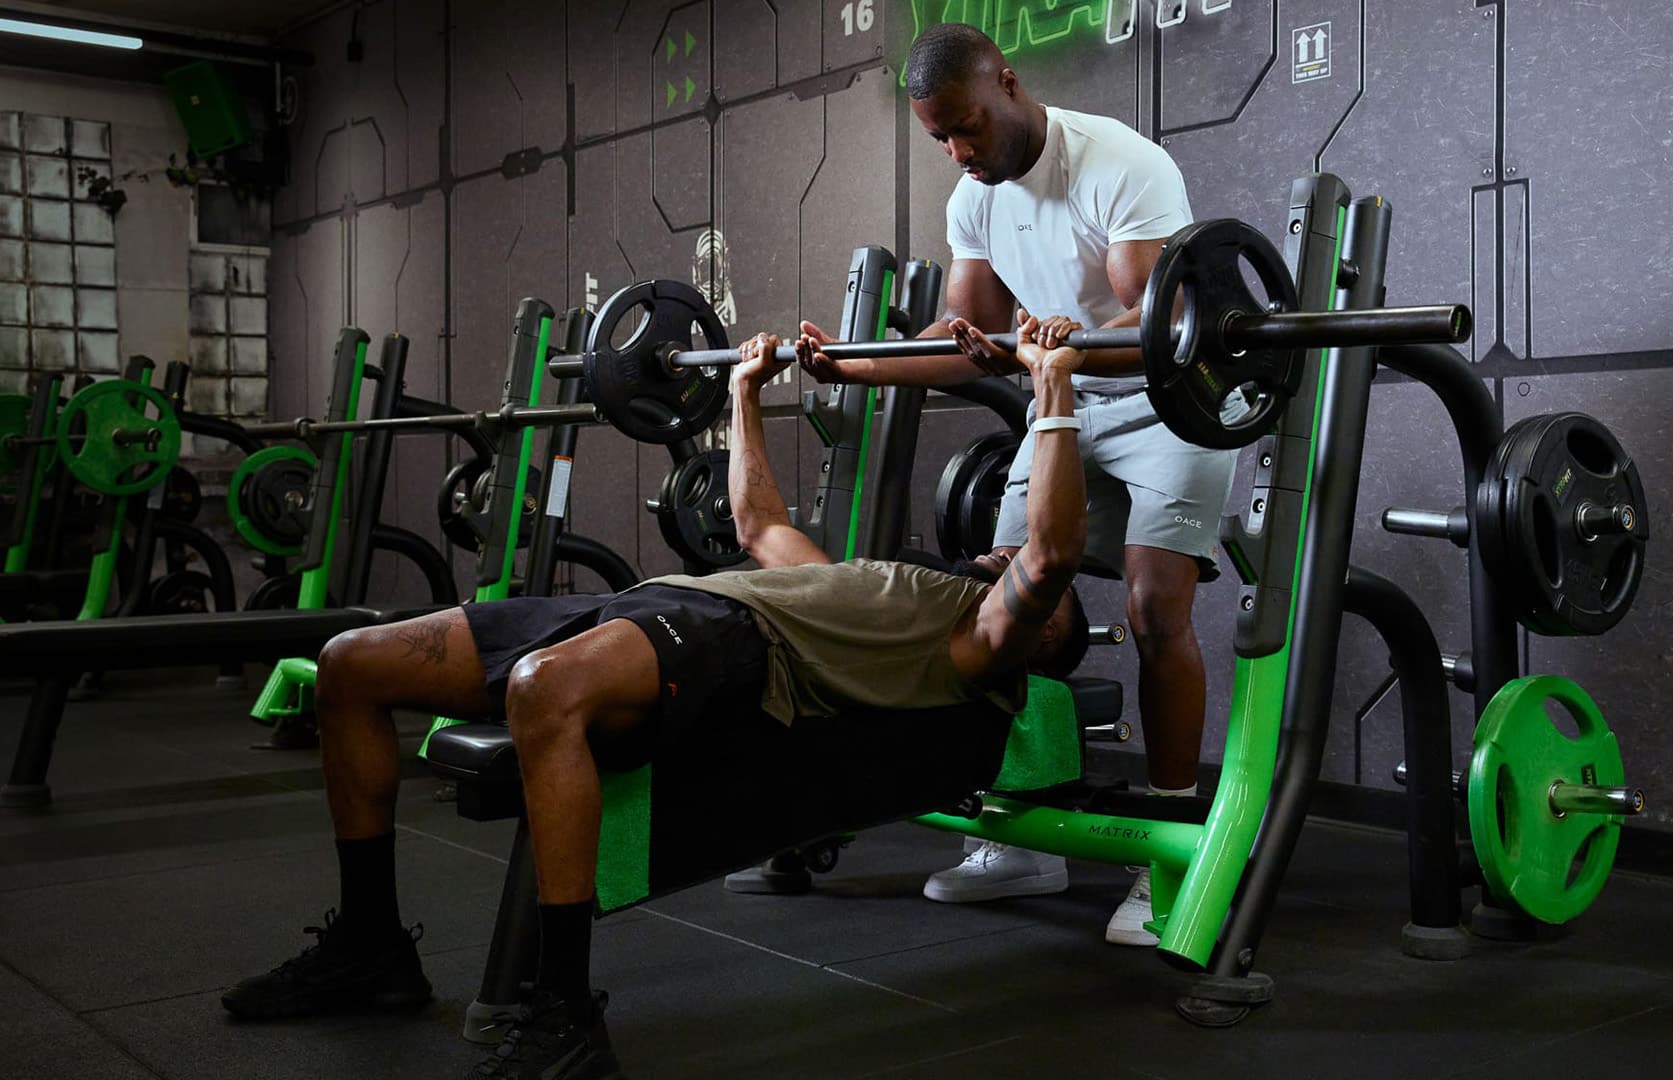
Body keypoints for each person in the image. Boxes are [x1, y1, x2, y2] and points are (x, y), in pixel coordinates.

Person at [219, 318, 1092, 1079]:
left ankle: (565, 1014)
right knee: (348, 663)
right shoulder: (881, 581)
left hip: (741, 649)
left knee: (544, 689)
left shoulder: (980, 645)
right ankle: (372, 947)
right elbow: (758, 529)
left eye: (1024, 586)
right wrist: (745, 391)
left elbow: (1050, 558)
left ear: (1041, 637)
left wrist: (1052, 389)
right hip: (663, 601)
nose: (998, 558)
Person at [794, 22, 1233, 946]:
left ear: (1008, 84)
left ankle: (1174, 855)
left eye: (968, 128)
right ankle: (1020, 829)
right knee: (1006, 603)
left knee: (1157, 611)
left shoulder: (1115, 161)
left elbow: (1153, 315)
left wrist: (1057, 344)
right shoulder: (975, 200)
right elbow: (965, 336)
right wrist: (848, 366)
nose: (960, 152)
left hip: (1166, 404)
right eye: (940, 140)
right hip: (1061, 401)